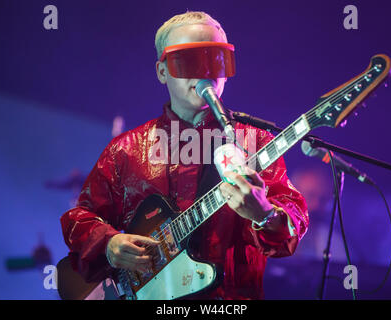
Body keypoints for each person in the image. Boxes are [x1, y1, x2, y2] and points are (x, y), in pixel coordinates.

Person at [60, 11, 308, 300]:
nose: (205, 71)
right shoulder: (125, 150)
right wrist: (109, 244)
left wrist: (264, 215)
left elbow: (290, 231)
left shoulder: (254, 143)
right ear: (162, 71)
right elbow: (79, 217)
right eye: (188, 60)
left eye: (216, 59)